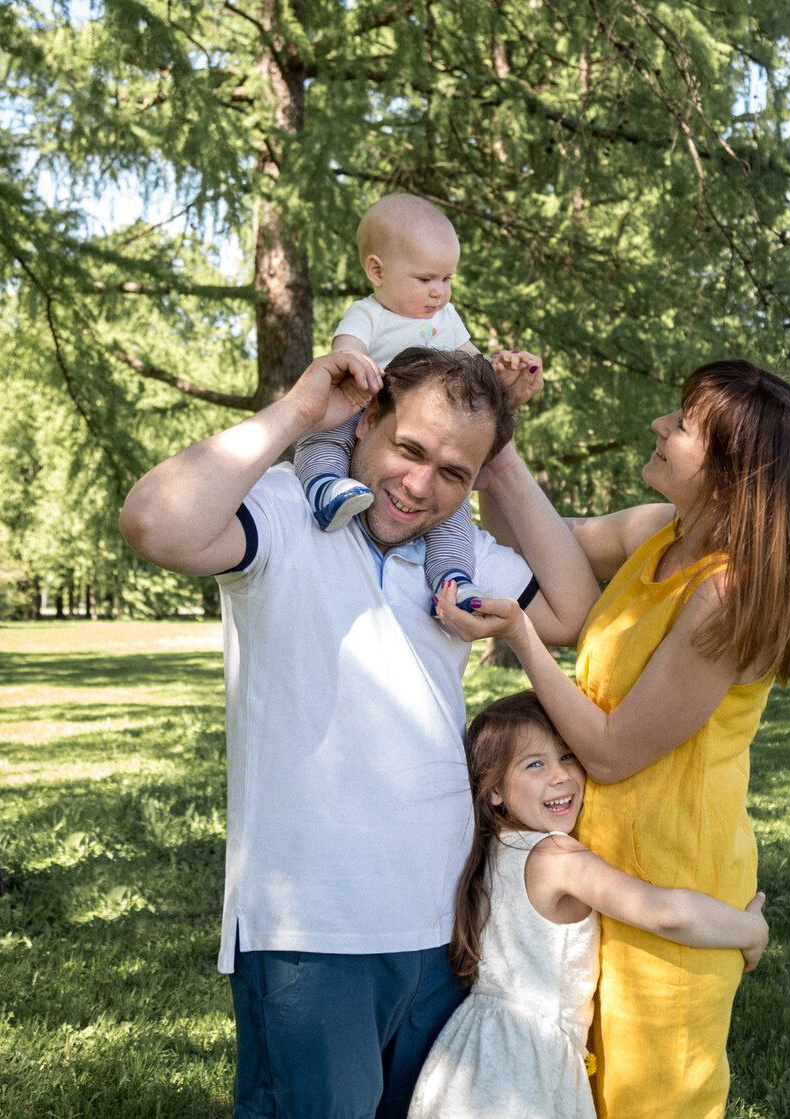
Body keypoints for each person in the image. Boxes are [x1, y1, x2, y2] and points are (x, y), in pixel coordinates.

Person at [119, 346, 599, 1119]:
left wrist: (500, 462)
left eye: (453, 472)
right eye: (410, 449)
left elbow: (573, 611)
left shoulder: (460, 558)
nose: (420, 486)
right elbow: (152, 522)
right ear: (366, 420)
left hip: (443, 927)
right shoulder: (280, 511)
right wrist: (301, 412)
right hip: (312, 931)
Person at [436, 358, 790, 1118]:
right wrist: (501, 432)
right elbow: (536, 539)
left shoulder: (728, 592)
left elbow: (614, 750)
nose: (659, 424)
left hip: (671, 889)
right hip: (598, 875)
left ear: (730, 476)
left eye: (682, 425)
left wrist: (522, 636)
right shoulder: (661, 531)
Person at [407, 691, 769, 1119]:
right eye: (535, 764)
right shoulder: (557, 857)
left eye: (567, 755)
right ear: (494, 791)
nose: (560, 775)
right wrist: (751, 931)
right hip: (525, 1068)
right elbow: (665, 913)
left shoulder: (492, 849)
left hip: (472, 1056)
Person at [295, 191, 541, 610]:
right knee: (322, 438)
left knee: (453, 510)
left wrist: (500, 375)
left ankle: (453, 578)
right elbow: (347, 352)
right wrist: (356, 362)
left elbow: (471, 366)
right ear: (377, 270)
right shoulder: (367, 314)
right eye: (425, 280)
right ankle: (325, 487)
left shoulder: (446, 319)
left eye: (446, 280)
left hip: (423, 433)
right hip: (363, 406)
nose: (438, 294)